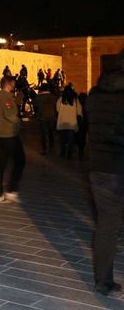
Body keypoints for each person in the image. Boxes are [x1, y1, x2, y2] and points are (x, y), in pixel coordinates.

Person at [86, 50, 124, 296]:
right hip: (120, 165)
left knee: (106, 226)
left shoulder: (94, 94)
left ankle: (103, 281)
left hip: (97, 166)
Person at [0, 76, 25, 204]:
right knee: (20, 161)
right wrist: (19, 122)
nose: (14, 85)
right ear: (9, 84)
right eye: (13, 83)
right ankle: (11, 190)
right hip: (8, 135)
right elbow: (9, 114)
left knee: (1, 164)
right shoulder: (5, 97)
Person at [56, 84, 83, 159]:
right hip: (72, 123)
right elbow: (79, 111)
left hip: (62, 123)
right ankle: (69, 153)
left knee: (62, 140)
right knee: (71, 140)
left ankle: (63, 152)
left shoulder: (60, 100)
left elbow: (57, 110)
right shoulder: (76, 101)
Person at [34, 83, 58, 155]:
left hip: (42, 117)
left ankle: (44, 149)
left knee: (43, 134)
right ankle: (51, 147)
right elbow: (55, 107)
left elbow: (36, 106)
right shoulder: (53, 97)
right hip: (51, 117)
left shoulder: (38, 97)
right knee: (51, 133)